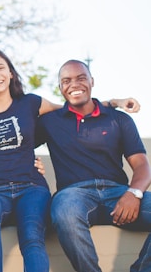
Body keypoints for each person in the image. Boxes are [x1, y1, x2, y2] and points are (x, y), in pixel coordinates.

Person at [0, 47, 138, 272]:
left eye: (0, 68)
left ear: (11, 73)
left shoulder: (31, 103)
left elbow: (73, 109)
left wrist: (112, 102)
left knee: (32, 236)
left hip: (32, 187)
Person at [36, 59, 151, 272]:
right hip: (73, 194)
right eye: (66, 81)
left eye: (81, 78)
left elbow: (142, 165)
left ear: (92, 81)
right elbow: (18, 137)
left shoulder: (119, 119)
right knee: (65, 213)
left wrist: (133, 194)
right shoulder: (50, 122)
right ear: (60, 88)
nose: (74, 84)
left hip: (118, 193)